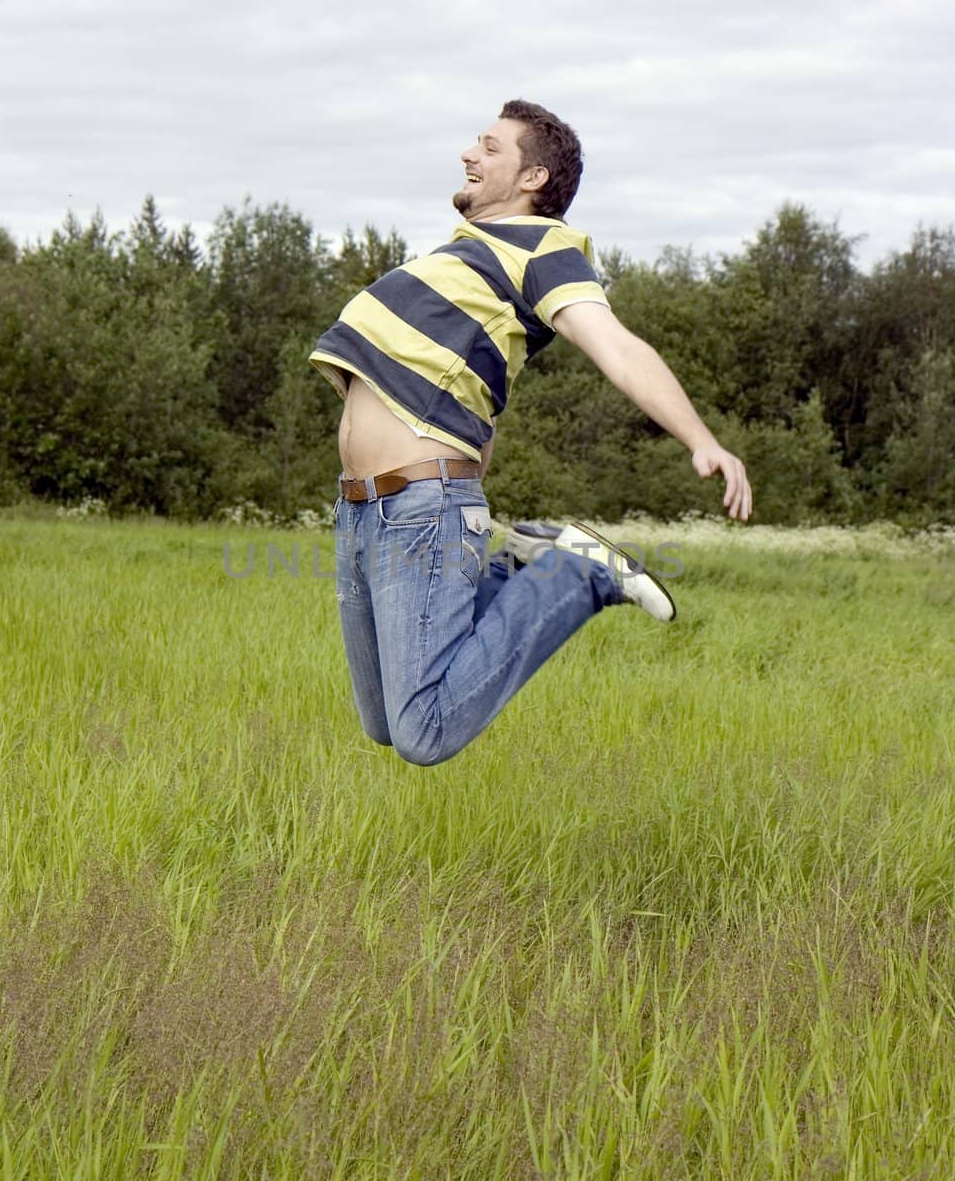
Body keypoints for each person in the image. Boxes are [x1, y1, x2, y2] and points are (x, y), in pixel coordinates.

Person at [309, 99, 751, 767]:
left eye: (489, 147)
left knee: (423, 734)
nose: (468, 154)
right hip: (364, 510)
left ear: (531, 179)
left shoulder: (545, 249)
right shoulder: (463, 259)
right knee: (384, 725)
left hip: (417, 509)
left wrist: (700, 438)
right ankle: (521, 563)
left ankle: (579, 573)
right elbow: (480, 393)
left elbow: (616, 347)